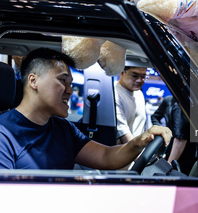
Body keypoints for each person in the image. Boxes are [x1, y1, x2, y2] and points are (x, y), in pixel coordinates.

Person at [0, 48, 171, 169]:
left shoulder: (63, 128)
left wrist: (140, 141)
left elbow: (105, 156)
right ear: (33, 81)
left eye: (70, 83)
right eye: (62, 81)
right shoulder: (4, 134)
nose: (69, 90)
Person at [115, 66, 148, 144]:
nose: (139, 80)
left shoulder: (139, 93)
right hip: (123, 151)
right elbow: (123, 132)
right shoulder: (114, 93)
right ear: (122, 73)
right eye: (134, 75)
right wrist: (138, 153)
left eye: (143, 76)